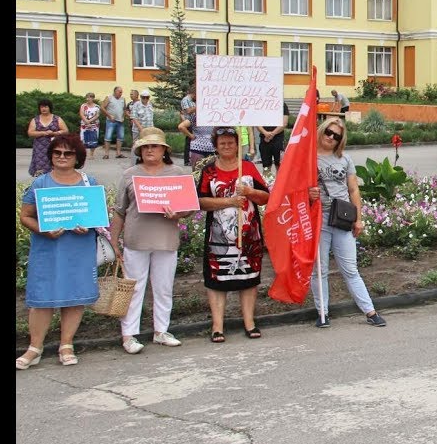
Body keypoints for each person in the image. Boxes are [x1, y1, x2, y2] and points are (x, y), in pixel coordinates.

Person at [108, 127, 196, 354]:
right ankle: (129, 335)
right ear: (139, 150)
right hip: (136, 240)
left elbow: (188, 207)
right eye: (145, 146)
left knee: (164, 287)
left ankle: (161, 330)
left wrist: (178, 214)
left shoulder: (176, 173)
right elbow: (120, 210)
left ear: (163, 149)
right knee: (133, 289)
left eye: (154, 146)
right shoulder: (130, 174)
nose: (149, 150)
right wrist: (113, 240)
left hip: (166, 239)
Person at [16, 134, 98, 369]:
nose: (62, 157)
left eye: (68, 153)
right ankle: (35, 348)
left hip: (78, 247)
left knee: (75, 294)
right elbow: (25, 216)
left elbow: (96, 217)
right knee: (42, 297)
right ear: (51, 156)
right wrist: (44, 230)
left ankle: (66, 344)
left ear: (78, 157)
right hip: (48, 247)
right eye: (57, 153)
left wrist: (89, 226)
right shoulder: (40, 183)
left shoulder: (88, 182)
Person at [307, 118, 385, 329]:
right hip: (318, 218)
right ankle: (322, 313)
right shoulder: (307, 158)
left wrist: (358, 219)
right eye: (329, 133)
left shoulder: (345, 159)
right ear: (322, 130)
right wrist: (308, 194)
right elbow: (292, 188)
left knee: (350, 268)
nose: (331, 137)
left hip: (342, 218)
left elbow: (353, 190)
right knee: (319, 269)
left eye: (337, 136)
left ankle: (370, 311)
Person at [197, 127, 270, 342]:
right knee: (217, 280)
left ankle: (249, 322)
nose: (227, 146)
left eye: (231, 143)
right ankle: (217, 326)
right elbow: (200, 201)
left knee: (248, 278)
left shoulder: (247, 167)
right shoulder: (209, 170)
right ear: (216, 146)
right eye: (222, 143)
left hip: (248, 236)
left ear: (237, 144)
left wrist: (249, 192)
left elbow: (266, 197)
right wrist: (229, 201)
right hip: (218, 237)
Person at [27, 99, 70, 177]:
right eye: (42, 107)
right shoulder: (35, 120)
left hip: (55, 146)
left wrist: (55, 133)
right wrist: (43, 133)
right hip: (40, 149)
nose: (44, 109)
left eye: (46, 107)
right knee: (40, 167)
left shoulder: (57, 119)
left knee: (55, 164)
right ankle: (41, 182)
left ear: (49, 107)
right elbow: (30, 132)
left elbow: (66, 130)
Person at [258, 102, 290, 179]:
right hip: (264, 139)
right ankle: (267, 186)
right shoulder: (260, 103)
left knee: (279, 164)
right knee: (266, 165)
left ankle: (280, 186)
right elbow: (257, 122)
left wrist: (272, 134)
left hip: (278, 140)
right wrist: (265, 133)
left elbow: (284, 123)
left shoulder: (282, 104)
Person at [101, 86, 127, 159]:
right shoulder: (109, 98)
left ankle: (118, 153)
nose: (121, 93)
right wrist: (109, 116)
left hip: (120, 121)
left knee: (120, 137)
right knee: (108, 137)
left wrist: (124, 116)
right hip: (111, 121)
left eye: (121, 92)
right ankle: (106, 154)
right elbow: (102, 107)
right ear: (115, 91)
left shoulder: (123, 99)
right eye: (120, 92)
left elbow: (124, 109)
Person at [179, 87, 197, 159]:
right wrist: (198, 106)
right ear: (194, 93)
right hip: (188, 121)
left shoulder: (193, 101)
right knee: (188, 141)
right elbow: (188, 111)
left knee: (191, 141)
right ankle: (186, 159)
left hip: (193, 121)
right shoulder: (185, 100)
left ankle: (190, 158)